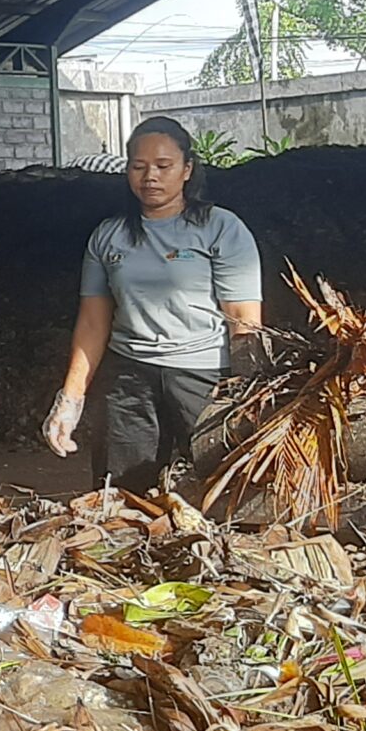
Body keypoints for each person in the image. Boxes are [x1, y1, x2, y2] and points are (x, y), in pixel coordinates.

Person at [44, 115, 264, 490]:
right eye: (139, 166)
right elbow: (93, 323)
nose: (150, 177)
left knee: (219, 487)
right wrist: (70, 398)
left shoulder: (221, 228)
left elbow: (243, 320)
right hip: (129, 378)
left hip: (204, 377)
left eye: (164, 166)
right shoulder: (108, 236)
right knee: (121, 493)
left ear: (187, 169)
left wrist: (248, 394)